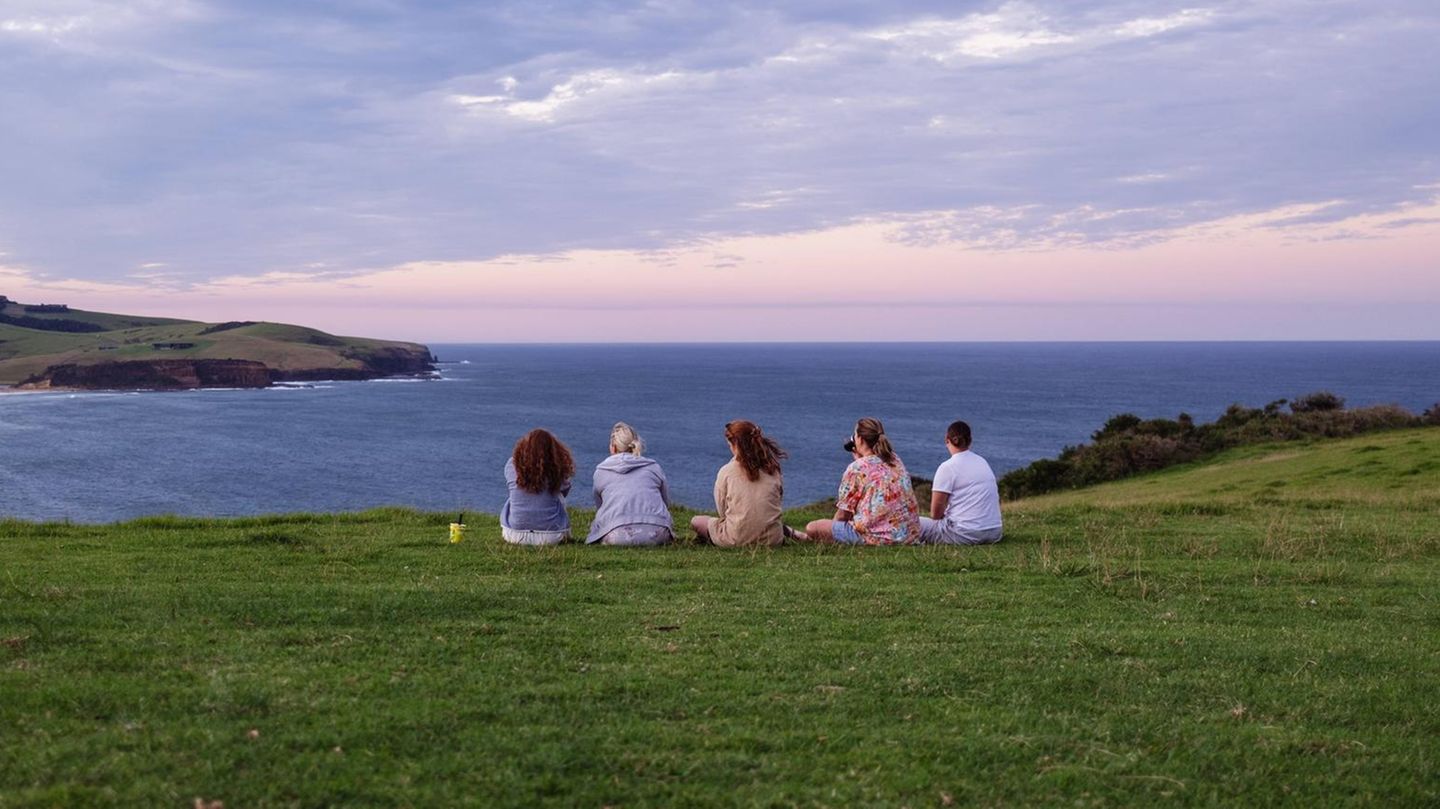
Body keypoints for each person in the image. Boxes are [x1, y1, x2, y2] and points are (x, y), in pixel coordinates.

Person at [803, 417, 921, 545]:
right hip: (908, 535)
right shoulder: (895, 459)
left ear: (860, 439)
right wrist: (860, 460)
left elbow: (843, 515)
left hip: (877, 538)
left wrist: (832, 531)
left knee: (813, 527)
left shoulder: (856, 469)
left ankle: (804, 537)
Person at [690, 420, 795, 547]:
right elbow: (777, 500)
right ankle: (792, 534)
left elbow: (722, 511)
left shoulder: (726, 471)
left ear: (734, 444)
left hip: (735, 539)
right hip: (772, 540)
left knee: (697, 521)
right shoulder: (772, 469)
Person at [587, 422, 675, 547]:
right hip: (658, 532)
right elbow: (665, 501)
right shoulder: (653, 467)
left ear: (613, 447)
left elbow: (600, 505)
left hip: (617, 535)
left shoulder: (601, 470)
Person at [919, 420, 1003, 545]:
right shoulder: (982, 462)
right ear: (970, 441)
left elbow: (935, 514)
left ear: (947, 440)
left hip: (965, 534)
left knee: (913, 522)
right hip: (994, 532)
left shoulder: (947, 467)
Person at [500, 429, 574, 545]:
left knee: (513, 494)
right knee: (558, 495)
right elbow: (565, 491)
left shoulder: (512, 464)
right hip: (552, 537)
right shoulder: (557, 467)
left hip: (514, 535)